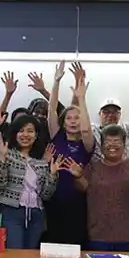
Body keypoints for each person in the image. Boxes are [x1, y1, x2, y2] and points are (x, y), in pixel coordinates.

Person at [65, 125, 129, 252]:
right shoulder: (92, 167)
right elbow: (83, 188)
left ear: (124, 145)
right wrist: (78, 176)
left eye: (116, 141)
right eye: (107, 141)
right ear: (101, 146)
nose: (112, 145)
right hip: (99, 236)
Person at [0, 114, 62, 251]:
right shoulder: (6, 153)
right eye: (21, 131)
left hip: (36, 213)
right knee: (15, 254)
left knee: (32, 256)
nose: (25, 135)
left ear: (36, 135)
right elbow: (0, 183)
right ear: (15, 134)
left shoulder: (41, 161)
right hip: (11, 211)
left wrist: (52, 175)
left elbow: (46, 195)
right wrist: (2, 157)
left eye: (30, 131)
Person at [45, 61, 94, 245]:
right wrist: (56, 81)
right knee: (53, 246)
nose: (73, 121)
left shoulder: (86, 144)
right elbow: (51, 110)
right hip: (53, 201)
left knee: (74, 246)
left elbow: (87, 130)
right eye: (69, 118)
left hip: (77, 203)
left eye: (77, 118)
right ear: (63, 122)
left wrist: (81, 98)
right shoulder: (57, 137)